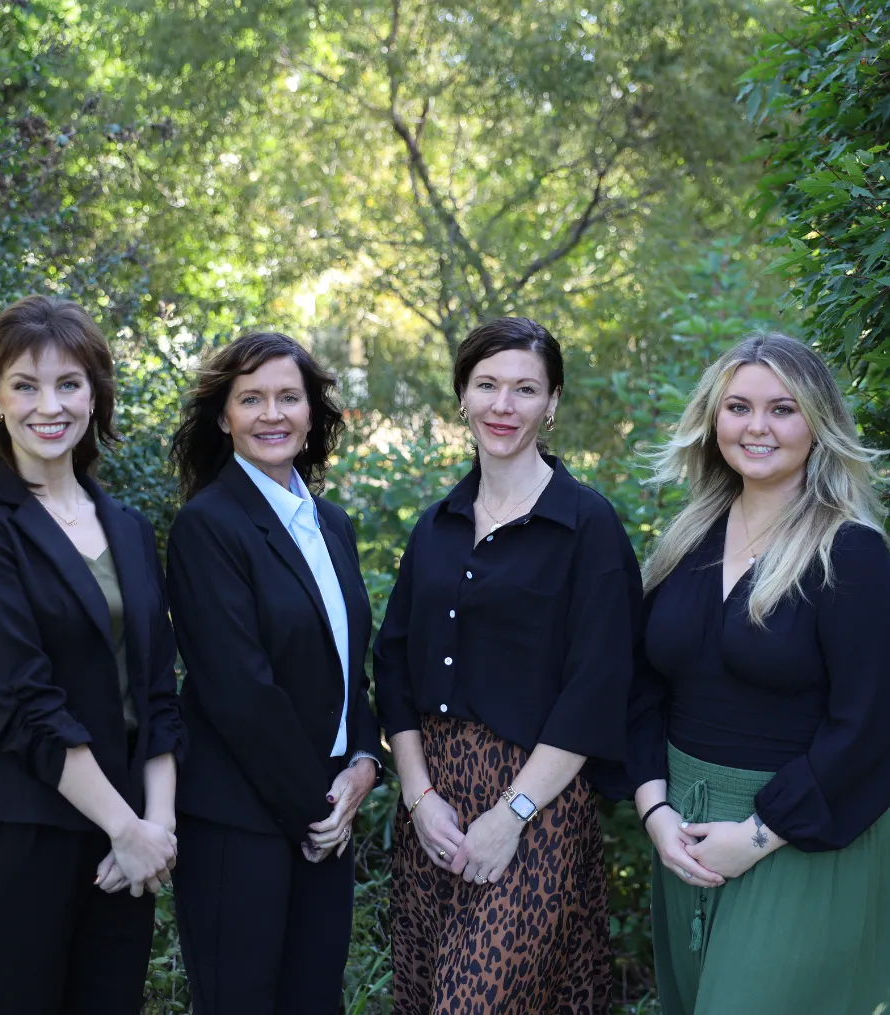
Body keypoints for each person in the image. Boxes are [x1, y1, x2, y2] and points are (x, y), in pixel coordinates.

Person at [373, 316, 643, 1014]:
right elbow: (394, 662)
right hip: (432, 804)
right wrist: (418, 795)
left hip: (534, 802)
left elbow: (598, 682)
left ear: (551, 402)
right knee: (424, 992)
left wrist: (512, 812)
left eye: (524, 388)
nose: (503, 405)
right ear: (460, 396)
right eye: (486, 385)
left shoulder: (587, 526)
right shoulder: (435, 525)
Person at [628, 332, 890, 1014]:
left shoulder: (850, 554)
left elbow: (867, 723)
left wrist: (757, 834)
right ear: (713, 421)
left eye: (781, 408)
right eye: (738, 407)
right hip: (682, 830)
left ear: (818, 422)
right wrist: (654, 809)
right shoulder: (685, 541)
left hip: (798, 834)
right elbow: (643, 689)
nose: (757, 427)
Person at [0, 295, 183, 1015]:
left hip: (126, 845)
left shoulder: (130, 528)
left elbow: (159, 692)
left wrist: (156, 829)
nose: (50, 405)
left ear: (94, 394)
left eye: (69, 383)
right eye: (26, 384)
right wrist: (126, 825)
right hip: (24, 836)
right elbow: (25, 700)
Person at [167, 331, 382, 1015]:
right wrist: (317, 806)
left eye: (288, 396)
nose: (272, 413)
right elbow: (239, 690)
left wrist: (364, 760)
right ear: (223, 415)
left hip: (325, 812)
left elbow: (352, 664)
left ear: (313, 412)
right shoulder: (207, 525)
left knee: (313, 1002)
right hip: (241, 821)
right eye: (250, 398)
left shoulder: (333, 524)